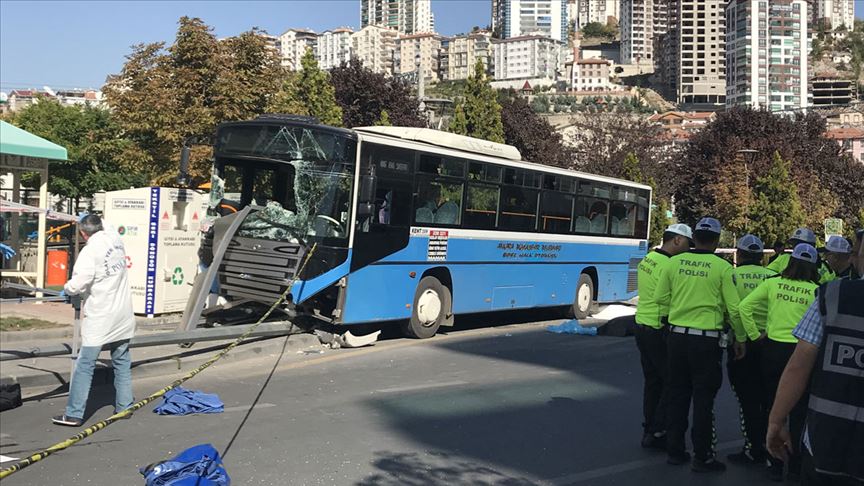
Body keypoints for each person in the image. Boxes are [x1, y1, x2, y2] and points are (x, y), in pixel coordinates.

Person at [655, 217, 758, 473]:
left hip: (677, 337)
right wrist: (741, 339)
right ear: (716, 240)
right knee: (703, 399)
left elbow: (660, 298)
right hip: (706, 341)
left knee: (677, 394)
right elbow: (734, 309)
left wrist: (672, 317)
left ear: (696, 236)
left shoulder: (675, 262)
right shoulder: (721, 268)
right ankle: (703, 457)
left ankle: (675, 450)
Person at [766, 229, 863, 486]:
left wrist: (776, 420)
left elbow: (798, 367)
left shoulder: (830, 295)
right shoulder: (822, 288)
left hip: (826, 443)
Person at [740, 243, 820, 482]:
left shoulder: (772, 283)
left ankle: (774, 462)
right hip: (802, 353)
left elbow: (744, 307)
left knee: (773, 406)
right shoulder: (817, 291)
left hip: (772, 351)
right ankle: (795, 466)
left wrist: (755, 336)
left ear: (790, 262)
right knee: (799, 412)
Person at [53, 214, 135, 427]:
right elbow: (106, 224)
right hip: (123, 313)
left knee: (85, 364)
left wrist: (67, 289)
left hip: (101, 315)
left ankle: (74, 414)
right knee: (122, 360)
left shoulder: (90, 251)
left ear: (82, 233)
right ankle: (125, 406)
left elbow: (78, 283)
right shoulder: (115, 240)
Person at [634, 223, 693, 450]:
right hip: (659, 328)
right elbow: (669, 298)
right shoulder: (669, 265)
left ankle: (649, 426)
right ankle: (657, 430)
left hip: (641, 324)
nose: (688, 248)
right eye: (688, 243)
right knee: (672, 381)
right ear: (677, 240)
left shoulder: (649, 258)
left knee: (653, 382)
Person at [726, 234, 777, 466]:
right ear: (760, 257)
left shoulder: (732, 276)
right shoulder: (773, 276)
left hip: (741, 344)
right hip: (769, 344)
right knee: (768, 398)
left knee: (747, 399)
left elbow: (731, 311)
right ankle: (771, 446)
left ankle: (752, 447)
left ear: (741, 253)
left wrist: (741, 336)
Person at [767, 228, 834, 284]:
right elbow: (767, 275)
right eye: (794, 244)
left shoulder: (824, 267)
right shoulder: (783, 258)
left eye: (798, 244)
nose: (795, 247)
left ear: (811, 246)